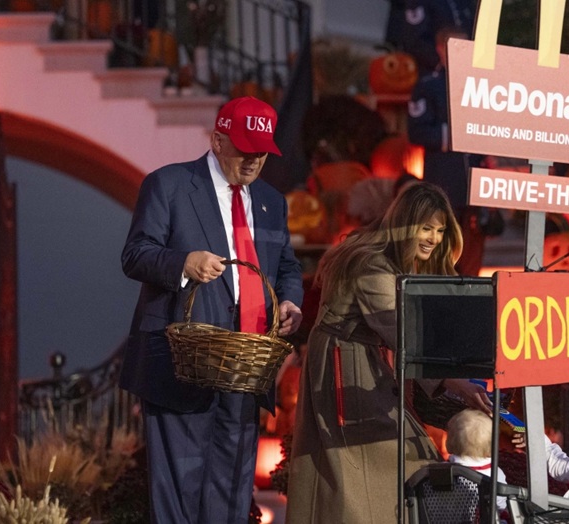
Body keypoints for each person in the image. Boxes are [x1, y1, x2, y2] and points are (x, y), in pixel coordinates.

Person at [120, 96, 305, 523]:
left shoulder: (272, 201)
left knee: (231, 497)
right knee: (179, 496)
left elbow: (287, 266)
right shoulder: (169, 184)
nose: (253, 160)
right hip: (180, 365)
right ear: (218, 140)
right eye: (245, 149)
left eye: (262, 152)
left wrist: (290, 299)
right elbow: (135, 254)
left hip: (244, 370)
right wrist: (183, 263)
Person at [286, 182, 492, 523]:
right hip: (345, 364)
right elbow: (404, 331)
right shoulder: (372, 266)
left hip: (362, 358)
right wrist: (458, 383)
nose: (434, 238)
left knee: (384, 458)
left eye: (440, 230)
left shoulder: (388, 258)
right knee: (372, 458)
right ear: (405, 224)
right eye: (426, 228)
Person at [407, 26, 501, 276]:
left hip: (475, 182)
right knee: (442, 248)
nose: (464, 52)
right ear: (441, 49)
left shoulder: (479, 84)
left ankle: (471, 290)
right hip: (444, 180)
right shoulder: (429, 86)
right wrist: (460, 134)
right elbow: (418, 132)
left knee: (473, 247)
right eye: (457, 47)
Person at [446, 409, 509, 517]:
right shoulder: (496, 474)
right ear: (493, 448)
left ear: (449, 443)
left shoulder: (441, 471)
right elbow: (500, 506)